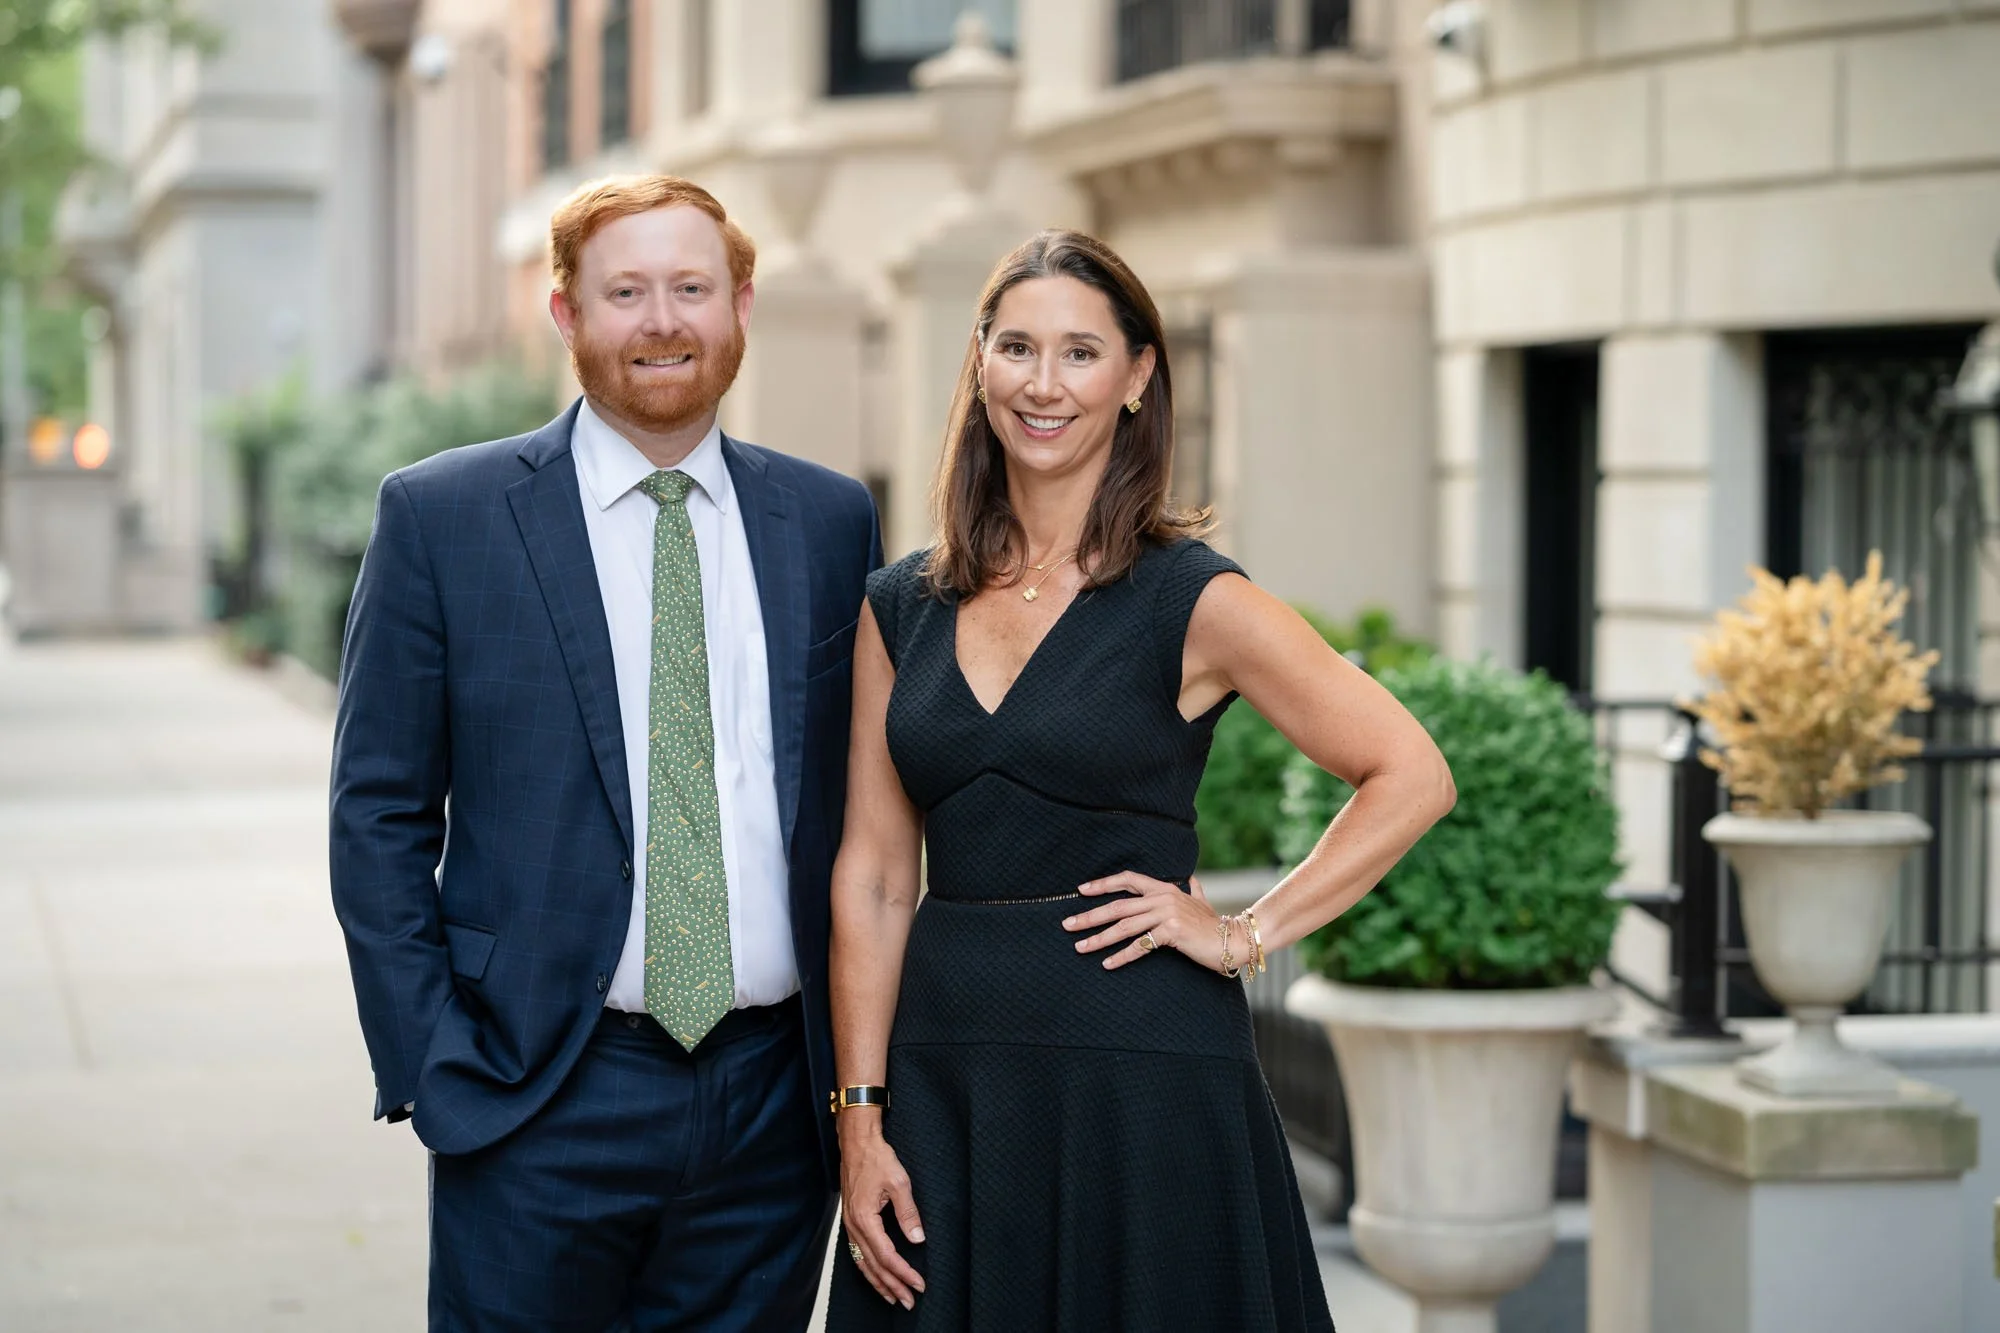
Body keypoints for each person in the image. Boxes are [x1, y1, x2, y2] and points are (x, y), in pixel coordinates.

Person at [823, 229, 1456, 1330]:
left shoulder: (1191, 597)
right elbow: (876, 878)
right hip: (946, 1075)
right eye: (1015, 347)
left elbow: (1409, 772)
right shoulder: (900, 605)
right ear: (978, 363)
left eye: (1079, 353)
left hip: (1145, 1076)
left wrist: (1244, 933)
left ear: (1135, 376)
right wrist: (860, 1117)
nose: (1042, 383)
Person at [329, 174, 880, 1331]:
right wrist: (435, 1064)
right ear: (566, 313)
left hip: (772, 1104)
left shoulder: (829, 522)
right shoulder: (445, 517)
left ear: (739, 308)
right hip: (537, 1089)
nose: (662, 320)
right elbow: (377, 812)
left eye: (690, 288)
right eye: (624, 291)